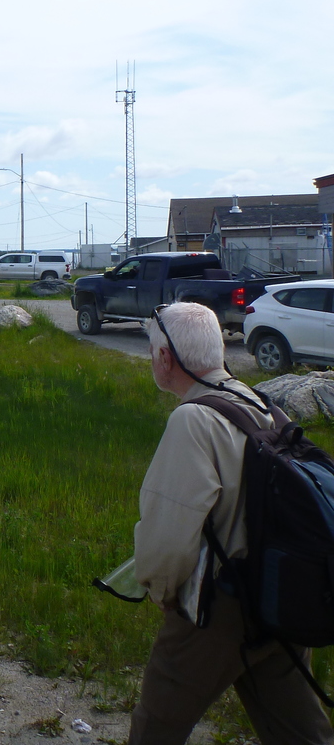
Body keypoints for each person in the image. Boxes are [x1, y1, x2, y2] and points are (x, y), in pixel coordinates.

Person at [130, 302, 333, 745]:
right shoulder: (260, 403)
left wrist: (163, 593)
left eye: (152, 352)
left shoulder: (193, 420)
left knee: (157, 724)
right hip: (279, 595)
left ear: (166, 359)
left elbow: (168, 538)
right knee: (300, 731)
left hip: (218, 608)